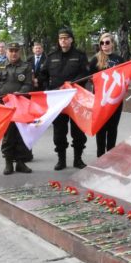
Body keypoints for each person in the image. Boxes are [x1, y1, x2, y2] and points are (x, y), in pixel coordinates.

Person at [39, 27, 89, 170]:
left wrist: (72, 84)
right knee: (59, 132)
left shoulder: (80, 55)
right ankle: (61, 160)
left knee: (78, 132)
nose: (63, 41)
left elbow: (85, 74)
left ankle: (78, 159)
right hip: (58, 99)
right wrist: (47, 89)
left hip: (75, 98)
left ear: (71, 40)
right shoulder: (51, 56)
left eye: (66, 38)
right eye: (61, 38)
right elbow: (43, 74)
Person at [0, 42, 33, 175]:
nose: (13, 53)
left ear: (19, 52)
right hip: (5, 106)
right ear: (6, 52)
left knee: (21, 134)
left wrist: (20, 92)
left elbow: (28, 84)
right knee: (8, 134)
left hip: (21, 105)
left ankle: (20, 163)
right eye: (11, 51)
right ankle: (8, 162)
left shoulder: (26, 66)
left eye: (16, 51)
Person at [89, 33, 124, 157]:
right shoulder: (95, 59)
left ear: (112, 44)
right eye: (102, 43)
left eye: (107, 42)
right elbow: (89, 76)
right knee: (101, 129)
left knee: (112, 128)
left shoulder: (119, 59)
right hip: (100, 100)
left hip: (115, 100)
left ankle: (110, 155)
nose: (104, 45)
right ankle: (100, 156)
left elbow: (124, 76)